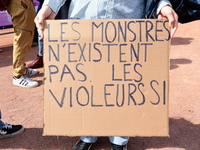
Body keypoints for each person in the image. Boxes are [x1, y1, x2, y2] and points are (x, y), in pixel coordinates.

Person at [35, 0, 178, 150]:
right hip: (83, 22)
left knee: (123, 87)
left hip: (127, 23)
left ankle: (119, 139)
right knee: (86, 85)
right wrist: (49, 5)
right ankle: (87, 134)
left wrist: (162, 4)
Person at [26, 0, 71, 69]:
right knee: (43, 29)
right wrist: (50, 5)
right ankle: (42, 57)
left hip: (73, 9)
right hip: (49, 6)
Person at [5, 0, 39, 88]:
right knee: (22, 39)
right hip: (20, 3)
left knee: (27, 37)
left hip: (23, 3)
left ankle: (21, 68)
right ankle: (18, 76)